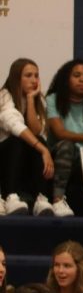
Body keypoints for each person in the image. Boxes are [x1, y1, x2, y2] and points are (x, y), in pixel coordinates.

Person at [45, 58, 83, 217]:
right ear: (66, 78)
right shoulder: (53, 99)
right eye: (77, 75)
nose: (82, 80)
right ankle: (57, 200)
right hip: (58, 151)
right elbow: (59, 132)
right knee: (67, 145)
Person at [0, 58, 53, 216]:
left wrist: (30, 99)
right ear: (17, 78)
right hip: (4, 155)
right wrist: (44, 150)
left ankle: (41, 199)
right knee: (19, 140)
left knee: (38, 141)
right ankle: (11, 196)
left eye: (36, 76)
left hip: (22, 162)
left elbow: (36, 131)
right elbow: (15, 125)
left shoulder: (35, 101)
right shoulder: (4, 96)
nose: (34, 80)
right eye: (28, 75)